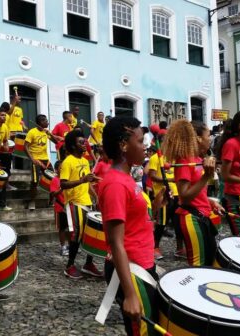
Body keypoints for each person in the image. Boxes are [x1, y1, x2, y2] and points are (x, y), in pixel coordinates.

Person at [99, 116, 167, 336]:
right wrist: (129, 294)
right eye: (140, 141)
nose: (145, 145)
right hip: (131, 270)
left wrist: (156, 206)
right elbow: (115, 242)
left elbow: (136, 222)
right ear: (124, 145)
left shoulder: (127, 178)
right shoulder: (116, 183)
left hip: (142, 264)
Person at [163, 120, 224, 266]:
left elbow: (197, 192)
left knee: (210, 262)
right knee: (200, 267)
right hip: (191, 217)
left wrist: (211, 203)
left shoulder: (197, 160)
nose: (210, 138)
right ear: (198, 138)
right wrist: (206, 177)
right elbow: (184, 196)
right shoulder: (184, 161)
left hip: (202, 215)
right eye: (208, 135)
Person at [61, 130, 102, 279]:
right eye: (80, 142)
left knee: (91, 235)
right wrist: (82, 180)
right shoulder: (68, 161)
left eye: (84, 141)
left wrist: (95, 195)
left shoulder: (85, 161)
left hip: (87, 202)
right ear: (72, 146)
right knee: (76, 234)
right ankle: (69, 266)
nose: (84, 144)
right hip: (74, 203)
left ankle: (88, 264)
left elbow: (87, 181)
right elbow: (63, 184)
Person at [148, 133, 184, 260]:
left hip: (176, 194)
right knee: (161, 224)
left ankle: (180, 248)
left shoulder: (174, 158)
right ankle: (154, 248)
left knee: (178, 223)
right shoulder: (155, 158)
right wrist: (167, 181)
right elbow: (151, 175)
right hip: (162, 196)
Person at [24, 114, 59, 210]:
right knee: (34, 181)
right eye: (45, 121)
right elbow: (25, 146)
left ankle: (51, 201)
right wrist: (32, 159)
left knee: (53, 179)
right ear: (40, 122)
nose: (47, 122)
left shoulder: (46, 132)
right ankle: (31, 201)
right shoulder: (32, 132)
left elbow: (56, 142)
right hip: (36, 159)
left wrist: (50, 134)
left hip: (46, 160)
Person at [50, 160, 69, 256]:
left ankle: (70, 245)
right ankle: (63, 247)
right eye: (61, 167)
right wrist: (62, 188)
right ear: (56, 170)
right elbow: (53, 194)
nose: (63, 169)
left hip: (68, 206)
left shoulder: (67, 179)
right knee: (62, 228)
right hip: (60, 207)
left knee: (70, 228)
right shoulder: (55, 180)